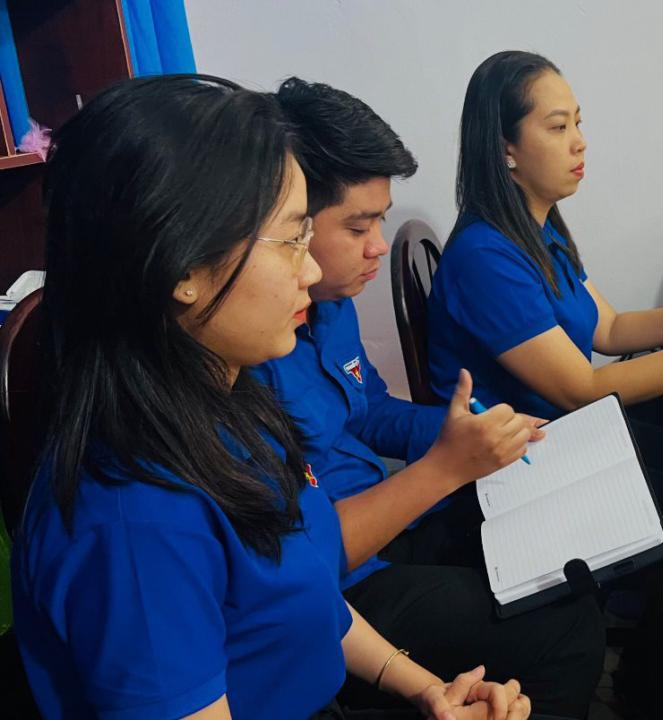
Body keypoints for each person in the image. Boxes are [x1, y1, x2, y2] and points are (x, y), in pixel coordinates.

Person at [12, 75, 527, 719]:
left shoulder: (231, 405)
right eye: (291, 240)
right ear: (183, 271)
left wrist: (426, 690)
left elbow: (307, 586)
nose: (310, 271)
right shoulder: (135, 522)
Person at [425, 51, 663, 718]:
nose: (580, 143)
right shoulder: (486, 256)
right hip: (514, 467)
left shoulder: (536, 227)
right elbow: (583, 386)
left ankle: (654, 673)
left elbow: (605, 325)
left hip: (559, 436)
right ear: (506, 150)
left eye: (578, 122)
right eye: (556, 127)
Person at [255, 78, 604, 718]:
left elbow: (370, 410)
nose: (377, 246)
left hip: (392, 523)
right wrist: (446, 465)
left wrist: (463, 433)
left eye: (380, 221)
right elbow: (302, 558)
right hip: (353, 577)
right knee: (566, 624)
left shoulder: (327, 305)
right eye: (355, 225)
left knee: (561, 548)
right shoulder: (249, 355)